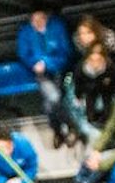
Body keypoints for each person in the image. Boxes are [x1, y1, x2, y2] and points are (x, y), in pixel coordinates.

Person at [16, 9, 73, 145]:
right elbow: (24, 54)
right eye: (34, 20)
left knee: (50, 104)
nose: (37, 23)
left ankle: (59, 130)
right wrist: (35, 64)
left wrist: (46, 62)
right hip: (41, 73)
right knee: (54, 98)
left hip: (60, 68)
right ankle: (69, 126)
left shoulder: (57, 27)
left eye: (41, 18)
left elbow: (66, 52)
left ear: (47, 17)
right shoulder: (25, 31)